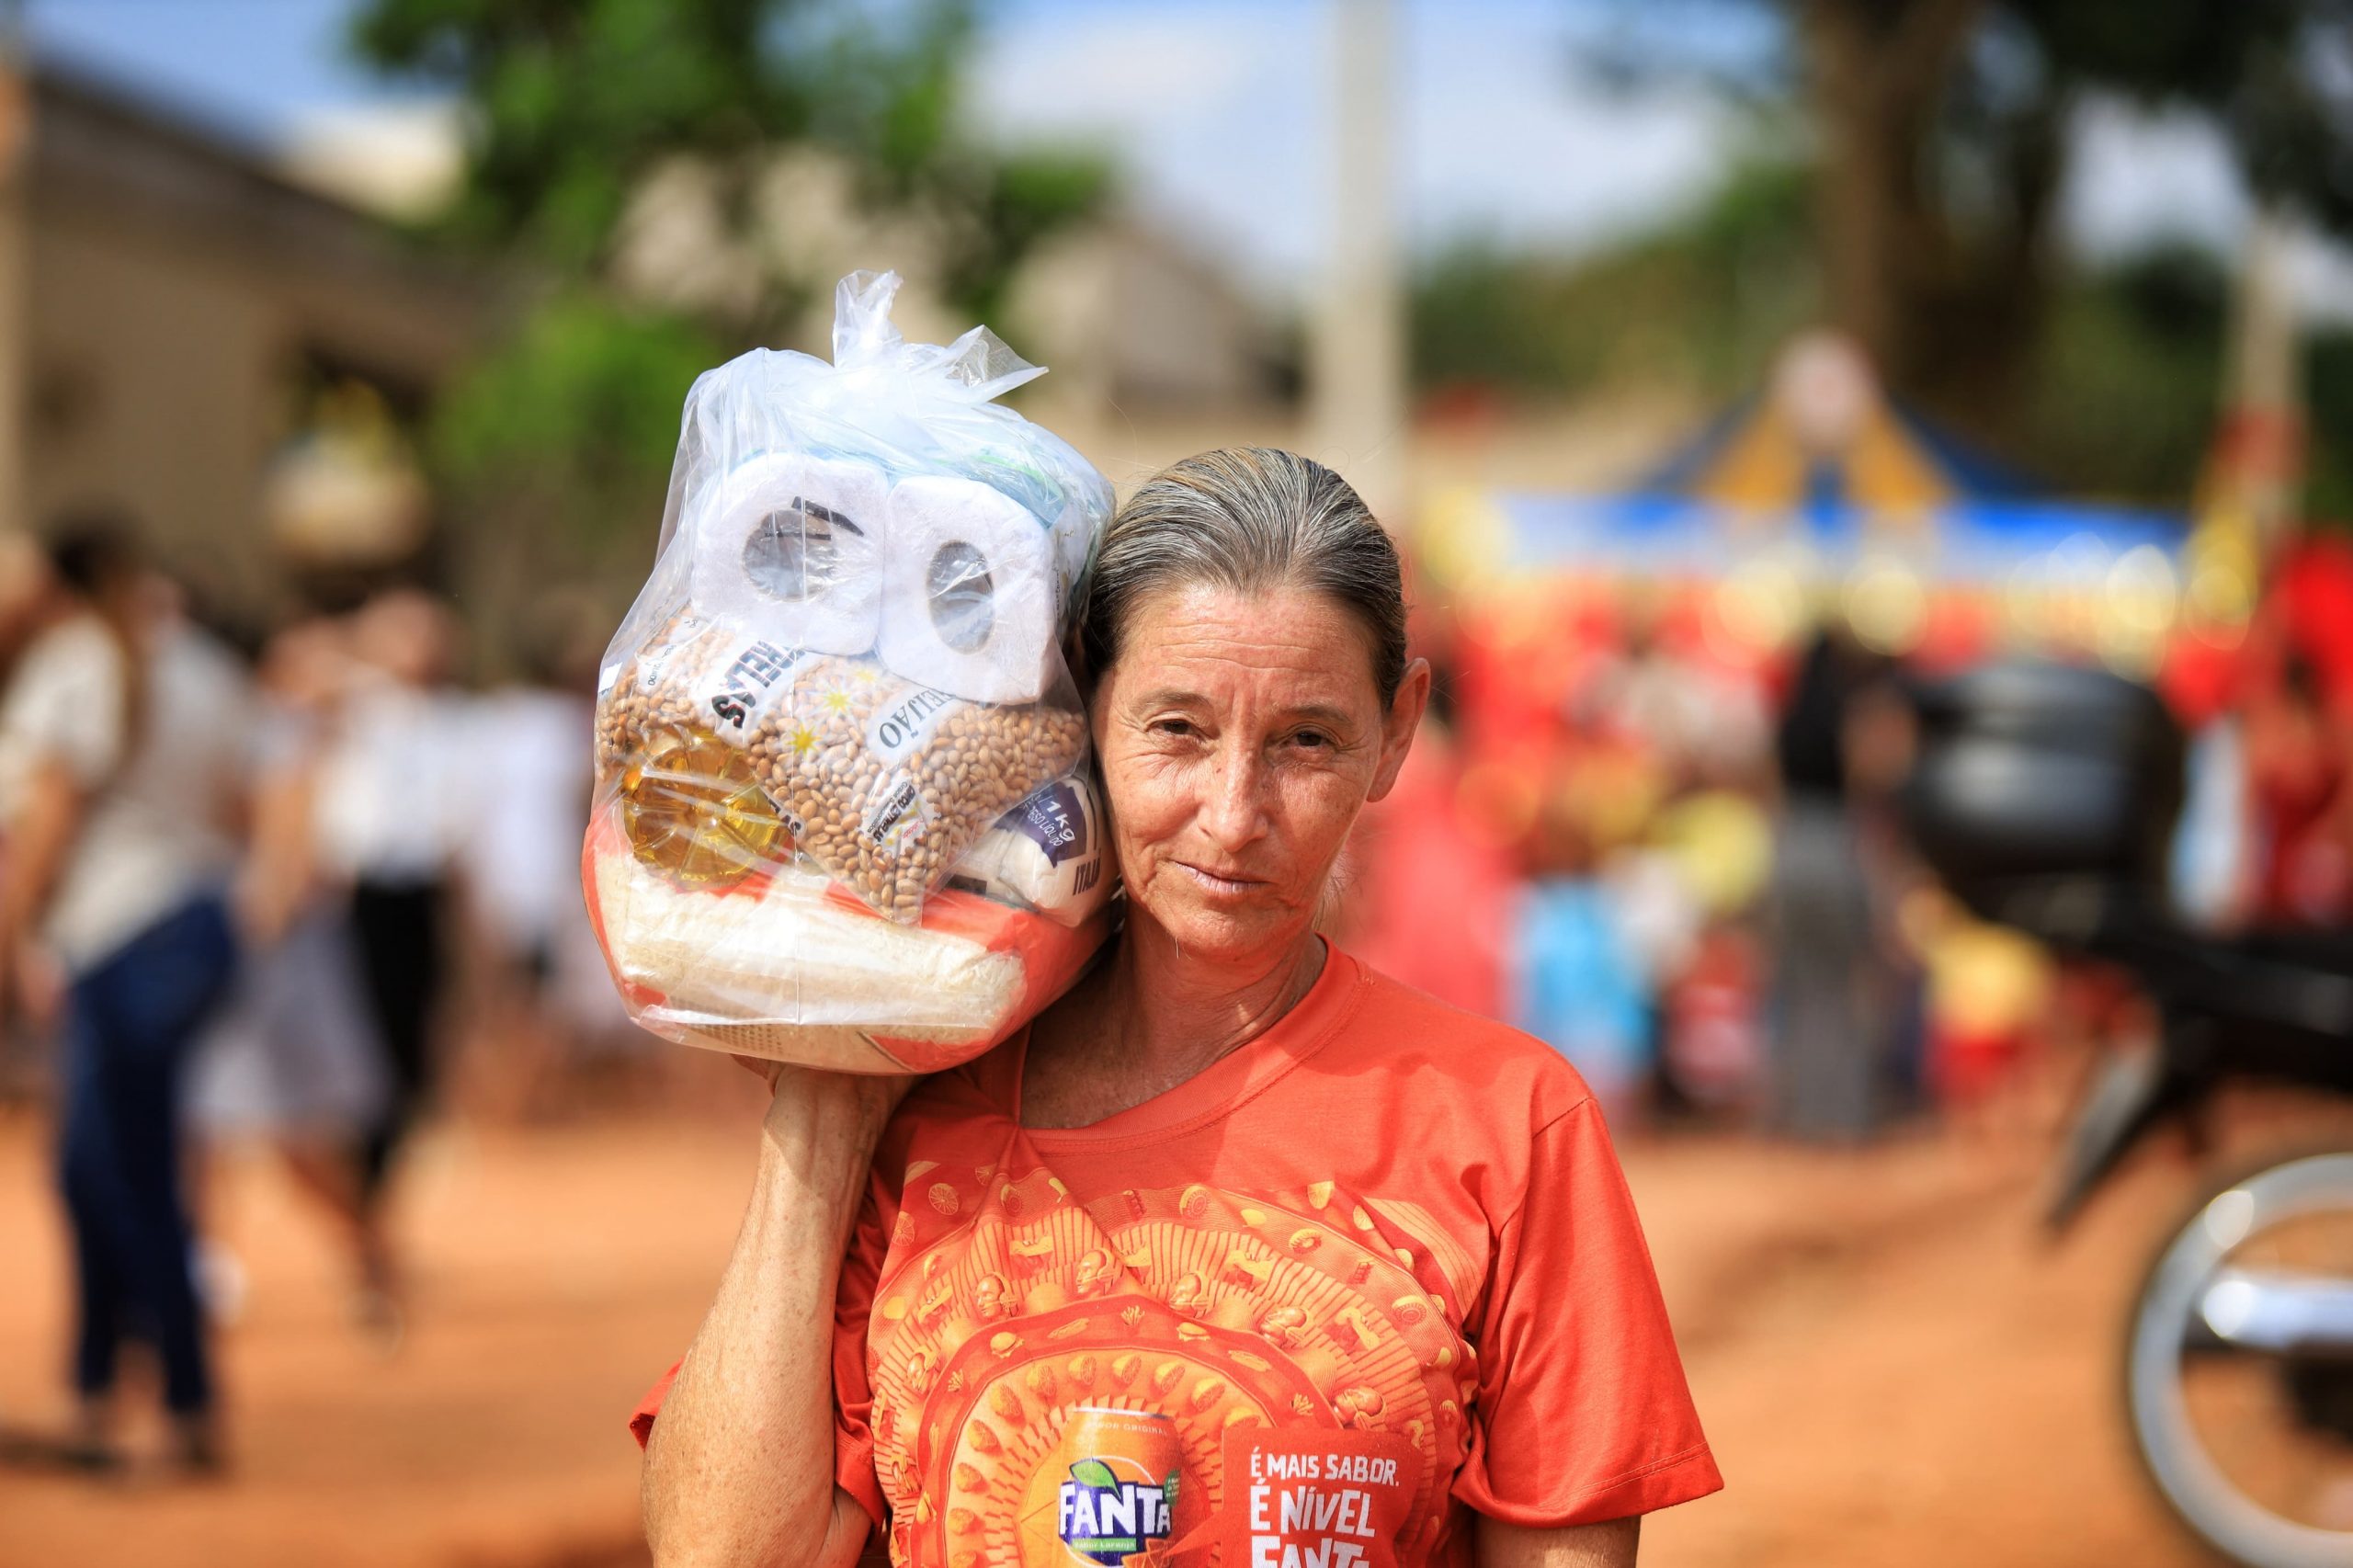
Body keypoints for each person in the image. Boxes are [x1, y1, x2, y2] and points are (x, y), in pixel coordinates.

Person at [631, 449, 1720, 1566]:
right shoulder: (916, 1107)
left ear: (1398, 729)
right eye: (1177, 730)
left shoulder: (1505, 1127)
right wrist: (829, 1097)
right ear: (1084, 704)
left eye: (1307, 739)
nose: (1234, 813)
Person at [0, 517, 250, 1471]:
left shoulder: (70, 663)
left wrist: (16, 934)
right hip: (191, 924)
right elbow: (241, 800)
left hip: (119, 935)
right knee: (104, 1163)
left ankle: (178, 1403)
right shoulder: (197, 660)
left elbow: (50, 816)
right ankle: (107, 1391)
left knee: (114, 1168)